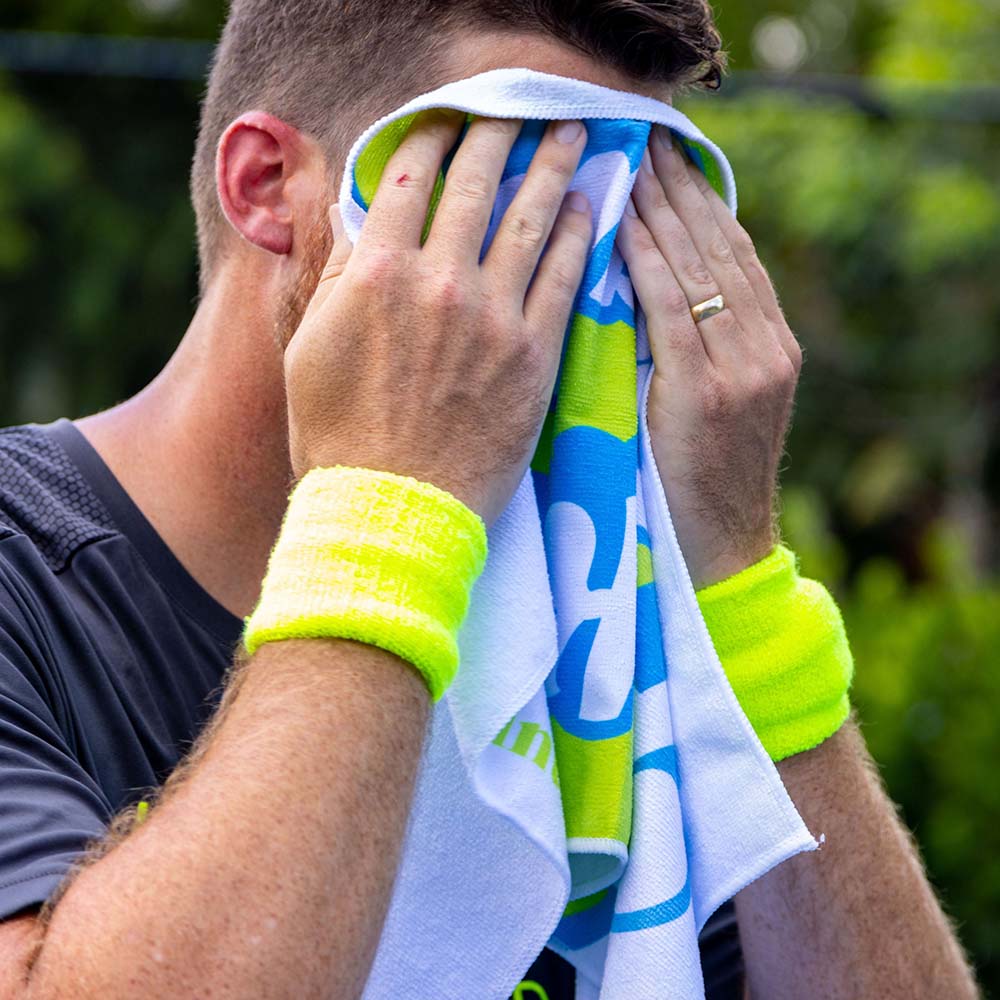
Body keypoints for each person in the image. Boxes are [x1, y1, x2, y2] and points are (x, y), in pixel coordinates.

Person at [0, 2, 980, 997]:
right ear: (265, 187)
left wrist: (738, 591)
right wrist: (385, 524)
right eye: (511, 203)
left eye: (632, 222)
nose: (582, 286)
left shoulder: (601, 623)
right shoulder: (20, 567)